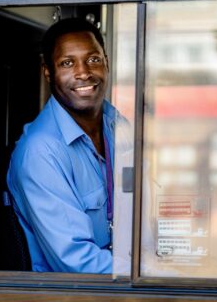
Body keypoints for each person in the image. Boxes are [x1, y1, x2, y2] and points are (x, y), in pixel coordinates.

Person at [7, 17, 129, 274]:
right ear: (48, 72)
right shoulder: (40, 152)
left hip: (123, 281)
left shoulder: (118, 125)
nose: (84, 72)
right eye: (67, 63)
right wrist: (153, 275)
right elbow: (77, 262)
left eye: (93, 59)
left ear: (106, 62)